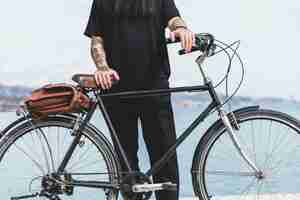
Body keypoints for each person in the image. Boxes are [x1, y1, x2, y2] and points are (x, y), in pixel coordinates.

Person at [84, 0, 195, 200]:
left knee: (165, 160)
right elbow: (96, 39)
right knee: (127, 167)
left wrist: (181, 29)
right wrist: (102, 68)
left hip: (154, 86)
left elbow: (173, 18)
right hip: (115, 89)